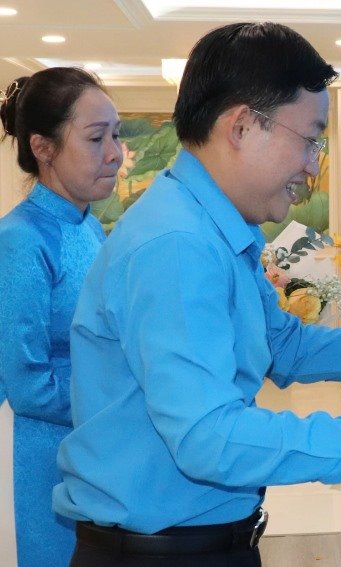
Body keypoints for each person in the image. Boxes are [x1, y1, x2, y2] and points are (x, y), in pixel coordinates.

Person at [52, 22, 341, 567]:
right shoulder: (178, 245)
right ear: (242, 126)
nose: (314, 163)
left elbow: (285, 347)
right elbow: (211, 440)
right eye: (309, 138)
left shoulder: (210, 229)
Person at [0, 68, 123, 567]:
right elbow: (27, 384)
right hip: (45, 460)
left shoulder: (90, 228)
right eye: (97, 138)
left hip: (95, 448)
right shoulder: (22, 240)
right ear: (43, 147)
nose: (115, 153)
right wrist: (123, 404)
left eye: (116, 135)